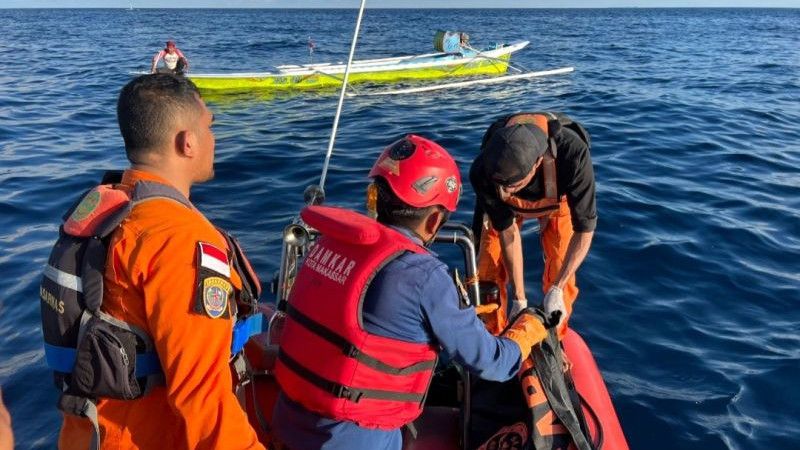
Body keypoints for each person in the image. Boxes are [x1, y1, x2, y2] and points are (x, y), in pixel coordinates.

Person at [270, 135, 550, 450]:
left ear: (374, 198)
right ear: (434, 220)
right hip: (357, 440)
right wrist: (526, 330)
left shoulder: (324, 245)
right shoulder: (424, 277)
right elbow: (491, 362)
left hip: (287, 422)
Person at [41, 74, 263, 449]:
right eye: (210, 126)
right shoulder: (180, 240)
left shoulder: (105, 209)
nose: (214, 138)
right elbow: (203, 399)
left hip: (89, 433)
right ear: (186, 142)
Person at [470, 112, 596, 336]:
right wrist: (520, 298)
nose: (503, 192)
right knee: (487, 266)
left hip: (558, 200)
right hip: (505, 209)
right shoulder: (482, 171)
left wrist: (556, 288)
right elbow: (507, 233)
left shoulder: (574, 155)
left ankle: (554, 338)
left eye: (512, 185)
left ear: (538, 162)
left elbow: (584, 230)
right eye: (500, 185)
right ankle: (491, 334)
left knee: (560, 267)